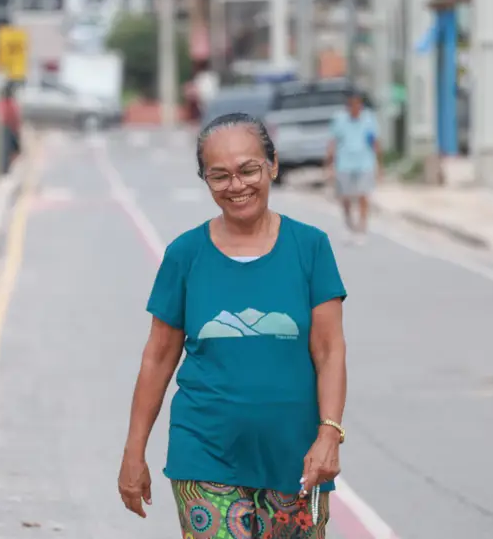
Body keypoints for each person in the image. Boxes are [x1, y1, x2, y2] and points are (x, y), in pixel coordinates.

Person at [118, 112, 348, 539]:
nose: (237, 186)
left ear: (273, 165)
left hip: (297, 459)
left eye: (249, 170)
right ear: (205, 180)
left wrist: (329, 434)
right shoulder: (184, 254)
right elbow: (158, 357)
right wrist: (135, 451)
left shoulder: (310, 247)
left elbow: (329, 350)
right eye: (219, 176)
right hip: (204, 454)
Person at [326, 90, 382, 245]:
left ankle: (362, 227)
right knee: (345, 197)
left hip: (364, 162)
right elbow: (333, 142)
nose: (355, 108)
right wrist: (329, 163)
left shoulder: (369, 119)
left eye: (357, 105)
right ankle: (349, 223)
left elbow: (375, 141)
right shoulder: (340, 119)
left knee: (363, 195)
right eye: (352, 105)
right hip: (344, 162)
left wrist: (380, 165)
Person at [0, 82, 21, 171]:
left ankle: (7, 168)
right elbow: (15, 117)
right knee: (10, 150)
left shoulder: (3, 103)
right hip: (9, 128)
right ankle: (7, 168)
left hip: (7, 127)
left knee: (8, 151)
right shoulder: (10, 103)